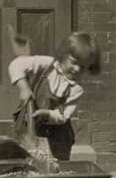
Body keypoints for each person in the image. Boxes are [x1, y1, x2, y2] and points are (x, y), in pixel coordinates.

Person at [8, 31, 101, 161]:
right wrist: (24, 87)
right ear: (63, 54)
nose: (77, 69)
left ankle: (57, 176)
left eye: (83, 67)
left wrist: (47, 114)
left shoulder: (76, 89)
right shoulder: (47, 64)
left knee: (58, 161)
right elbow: (16, 64)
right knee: (26, 157)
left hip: (57, 131)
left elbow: (63, 115)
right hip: (30, 122)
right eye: (74, 62)